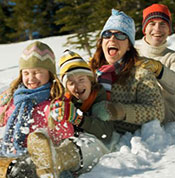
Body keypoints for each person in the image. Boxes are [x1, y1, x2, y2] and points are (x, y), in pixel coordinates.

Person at [28, 49, 120, 178]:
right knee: (52, 138)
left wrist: (78, 119)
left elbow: (106, 133)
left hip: (97, 146)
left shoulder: (100, 98)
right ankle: (29, 161)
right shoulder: (67, 100)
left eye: (81, 79)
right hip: (70, 144)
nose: (77, 86)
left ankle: (56, 162)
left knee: (86, 144)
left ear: (90, 80)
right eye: (71, 83)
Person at [0, 41, 74, 178]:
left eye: (38, 72)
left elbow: (66, 135)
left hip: (40, 159)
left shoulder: (54, 103)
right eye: (26, 73)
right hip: (11, 152)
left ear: (50, 74)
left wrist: (60, 118)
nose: (31, 78)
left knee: (19, 170)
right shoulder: (13, 99)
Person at [89, 9, 164, 134]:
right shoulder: (89, 70)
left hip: (123, 141)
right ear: (102, 41)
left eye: (120, 35)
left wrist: (119, 111)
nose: (112, 39)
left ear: (129, 45)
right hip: (90, 130)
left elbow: (157, 112)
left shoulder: (141, 74)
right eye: (107, 34)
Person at [135, 3, 175, 123]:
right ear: (144, 29)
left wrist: (160, 70)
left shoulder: (172, 57)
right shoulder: (132, 53)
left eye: (163, 24)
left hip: (165, 119)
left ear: (169, 30)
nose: (157, 29)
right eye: (152, 23)